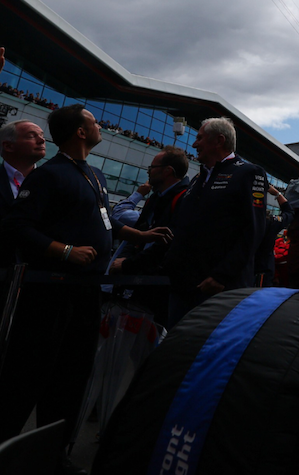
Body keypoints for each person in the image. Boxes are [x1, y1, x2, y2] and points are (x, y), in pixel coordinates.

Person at [0, 105, 171, 467]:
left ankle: (52, 454)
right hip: (49, 294)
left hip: (86, 293)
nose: (100, 126)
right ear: (80, 132)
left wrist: (138, 234)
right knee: (28, 376)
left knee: (72, 377)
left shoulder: (95, 175)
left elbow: (103, 220)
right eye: (94, 121)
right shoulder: (49, 176)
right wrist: (63, 251)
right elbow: (17, 226)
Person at [161, 116, 267, 326]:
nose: (194, 144)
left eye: (199, 138)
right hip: (183, 287)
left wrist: (222, 276)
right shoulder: (196, 180)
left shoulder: (248, 173)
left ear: (219, 140)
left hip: (218, 290)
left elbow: (253, 231)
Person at [110, 147, 192, 323]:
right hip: (133, 285)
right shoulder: (154, 198)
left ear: (167, 171)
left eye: (152, 168)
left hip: (158, 292)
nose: (149, 172)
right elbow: (137, 237)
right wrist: (123, 265)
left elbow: (166, 246)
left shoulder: (185, 199)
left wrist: (127, 265)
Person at [0, 118, 46, 221]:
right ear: (8, 146)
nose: (42, 140)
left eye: (42, 135)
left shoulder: (52, 181)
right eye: (31, 136)